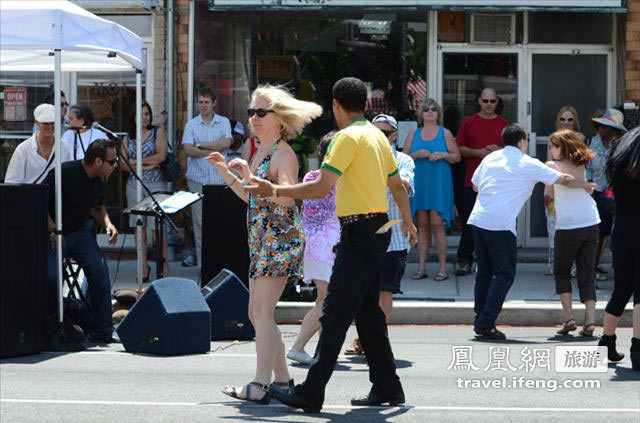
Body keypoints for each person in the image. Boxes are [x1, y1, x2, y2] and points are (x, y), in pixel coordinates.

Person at [245, 77, 418, 413]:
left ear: (337, 106)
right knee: (367, 314)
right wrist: (409, 223)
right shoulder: (376, 137)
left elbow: (321, 186)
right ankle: (388, 386)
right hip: (378, 230)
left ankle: (311, 392)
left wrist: (275, 190)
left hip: (358, 232)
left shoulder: (346, 138)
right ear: (365, 105)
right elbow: (397, 186)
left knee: (336, 312)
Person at [207, 85, 321, 403]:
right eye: (251, 112)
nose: (253, 118)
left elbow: (285, 197)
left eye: (260, 113)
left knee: (261, 312)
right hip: (263, 239)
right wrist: (228, 174)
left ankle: (260, 384)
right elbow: (252, 197)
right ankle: (282, 382)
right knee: (258, 314)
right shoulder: (260, 150)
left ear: (278, 119)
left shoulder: (283, 153)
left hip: (278, 240)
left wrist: (253, 179)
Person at [469, 124, 595, 340]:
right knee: (504, 273)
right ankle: (486, 322)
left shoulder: (490, 158)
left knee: (484, 273)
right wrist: (586, 184)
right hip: (501, 225)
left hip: (478, 220)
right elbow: (562, 178)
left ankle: (480, 318)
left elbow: (475, 186)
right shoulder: (528, 163)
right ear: (523, 142)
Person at [344, 113, 415, 357]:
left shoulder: (403, 159)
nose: (379, 137)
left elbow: (404, 184)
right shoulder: (358, 157)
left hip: (394, 239)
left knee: (384, 292)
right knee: (361, 292)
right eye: (375, 132)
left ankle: (373, 343)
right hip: (363, 236)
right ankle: (364, 338)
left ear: (394, 135)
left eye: (384, 133)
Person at [44, 139, 119, 344]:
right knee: (51, 277)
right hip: (53, 235)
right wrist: (52, 230)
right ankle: (49, 330)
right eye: (112, 162)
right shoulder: (65, 173)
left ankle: (101, 332)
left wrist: (107, 224)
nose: (115, 165)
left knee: (100, 272)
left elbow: (97, 207)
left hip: (79, 232)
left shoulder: (101, 179)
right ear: (97, 161)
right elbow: (39, 202)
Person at [287, 131, 339, 365]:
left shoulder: (310, 176)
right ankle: (298, 347)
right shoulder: (337, 180)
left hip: (312, 242)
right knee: (326, 301)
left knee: (324, 299)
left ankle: (323, 350)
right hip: (327, 244)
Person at [545, 130, 600, 337]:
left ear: (562, 147)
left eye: (553, 146)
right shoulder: (580, 163)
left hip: (569, 225)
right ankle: (591, 321)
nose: (551, 150)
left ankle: (568, 318)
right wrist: (585, 184)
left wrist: (582, 185)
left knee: (562, 271)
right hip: (591, 222)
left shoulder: (551, 166)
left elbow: (553, 190)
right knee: (587, 271)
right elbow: (571, 182)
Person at [403, 99, 460, 281]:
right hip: (420, 183)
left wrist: (443, 155)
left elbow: (457, 157)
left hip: (439, 183)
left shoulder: (445, 133)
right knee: (422, 225)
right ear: (420, 114)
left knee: (437, 223)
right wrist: (416, 155)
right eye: (426, 109)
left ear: (438, 113)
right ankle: (421, 268)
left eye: (433, 109)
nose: (430, 112)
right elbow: (402, 158)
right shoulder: (414, 133)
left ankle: (443, 268)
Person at [598, 127, 640, 371]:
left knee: (621, 288)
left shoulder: (619, 151)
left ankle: (607, 341)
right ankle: (638, 348)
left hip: (621, 228)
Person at [455, 88, 509, 276]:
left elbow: (512, 151)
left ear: (497, 102)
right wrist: (478, 153)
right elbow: (459, 149)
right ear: (479, 101)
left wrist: (498, 151)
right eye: (485, 100)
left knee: (495, 225)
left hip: (497, 184)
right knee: (470, 223)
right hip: (472, 182)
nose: (488, 104)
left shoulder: (504, 124)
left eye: (492, 101)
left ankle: (493, 263)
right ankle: (464, 260)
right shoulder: (469, 123)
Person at [181, 88, 233, 269]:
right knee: (200, 224)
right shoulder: (191, 125)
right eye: (200, 102)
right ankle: (204, 267)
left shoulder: (224, 122)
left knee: (220, 223)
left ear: (214, 103)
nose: (203, 105)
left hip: (219, 179)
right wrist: (215, 149)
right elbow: (188, 150)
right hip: (198, 180)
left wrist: (201, 145)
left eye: (206, 102)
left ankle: (221, 266)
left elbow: (226, 143)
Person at [121, 101, 169, 281]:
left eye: (146, 114)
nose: (144, 117)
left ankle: (163, 264)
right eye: (139, 114)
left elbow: (161, 156)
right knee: (138, 226)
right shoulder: (128, 137)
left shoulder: (158, 132)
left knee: (158, 227)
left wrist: (135, 163)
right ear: (133, 117)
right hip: (134, 185)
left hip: (156, 185)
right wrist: (148, 164)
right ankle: (143, 266)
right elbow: (123, 165)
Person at [544, 106, 586, 275]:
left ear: (575, 121)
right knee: (553, 225)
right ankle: (555, 265)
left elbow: (581, 164)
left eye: (570, 119)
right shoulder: (553, 139)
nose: (566, 123)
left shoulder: (580, 138)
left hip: (574, 186)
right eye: (563, 119)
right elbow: (549, 165)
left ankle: (574, 266)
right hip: (554, 185)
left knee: (574, 226)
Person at [587, 108, 627, 282]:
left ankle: (623, 273)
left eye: (604, 126)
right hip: (598, 192)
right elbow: (588, 167)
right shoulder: (594, 142)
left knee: (620, 235)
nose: (600, 129)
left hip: (620, 196)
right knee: (597, 235)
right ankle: (591, 272)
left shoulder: (624, 144)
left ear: (613, 130)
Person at [5, 104, 72, 184]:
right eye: (45, 123)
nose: (50, 126)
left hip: (57, 196)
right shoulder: (23, 149)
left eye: (52, 122)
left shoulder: (65, 146)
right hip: (30, 195)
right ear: (36, 123)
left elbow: (69, 177)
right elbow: (12, 181)